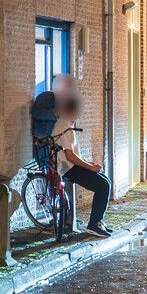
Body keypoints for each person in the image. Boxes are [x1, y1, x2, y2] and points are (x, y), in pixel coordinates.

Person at [53, 96, 112, 238]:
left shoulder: (65, 125)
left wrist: (89, 163)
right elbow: (70, 156)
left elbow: (73, 154)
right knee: (103, 185)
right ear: (72, 111)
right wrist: (90, 168)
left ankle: (98, 221)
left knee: (106, 181)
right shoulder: (65, 127)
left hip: (70, 165)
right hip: (68, 168)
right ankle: (93, 225)